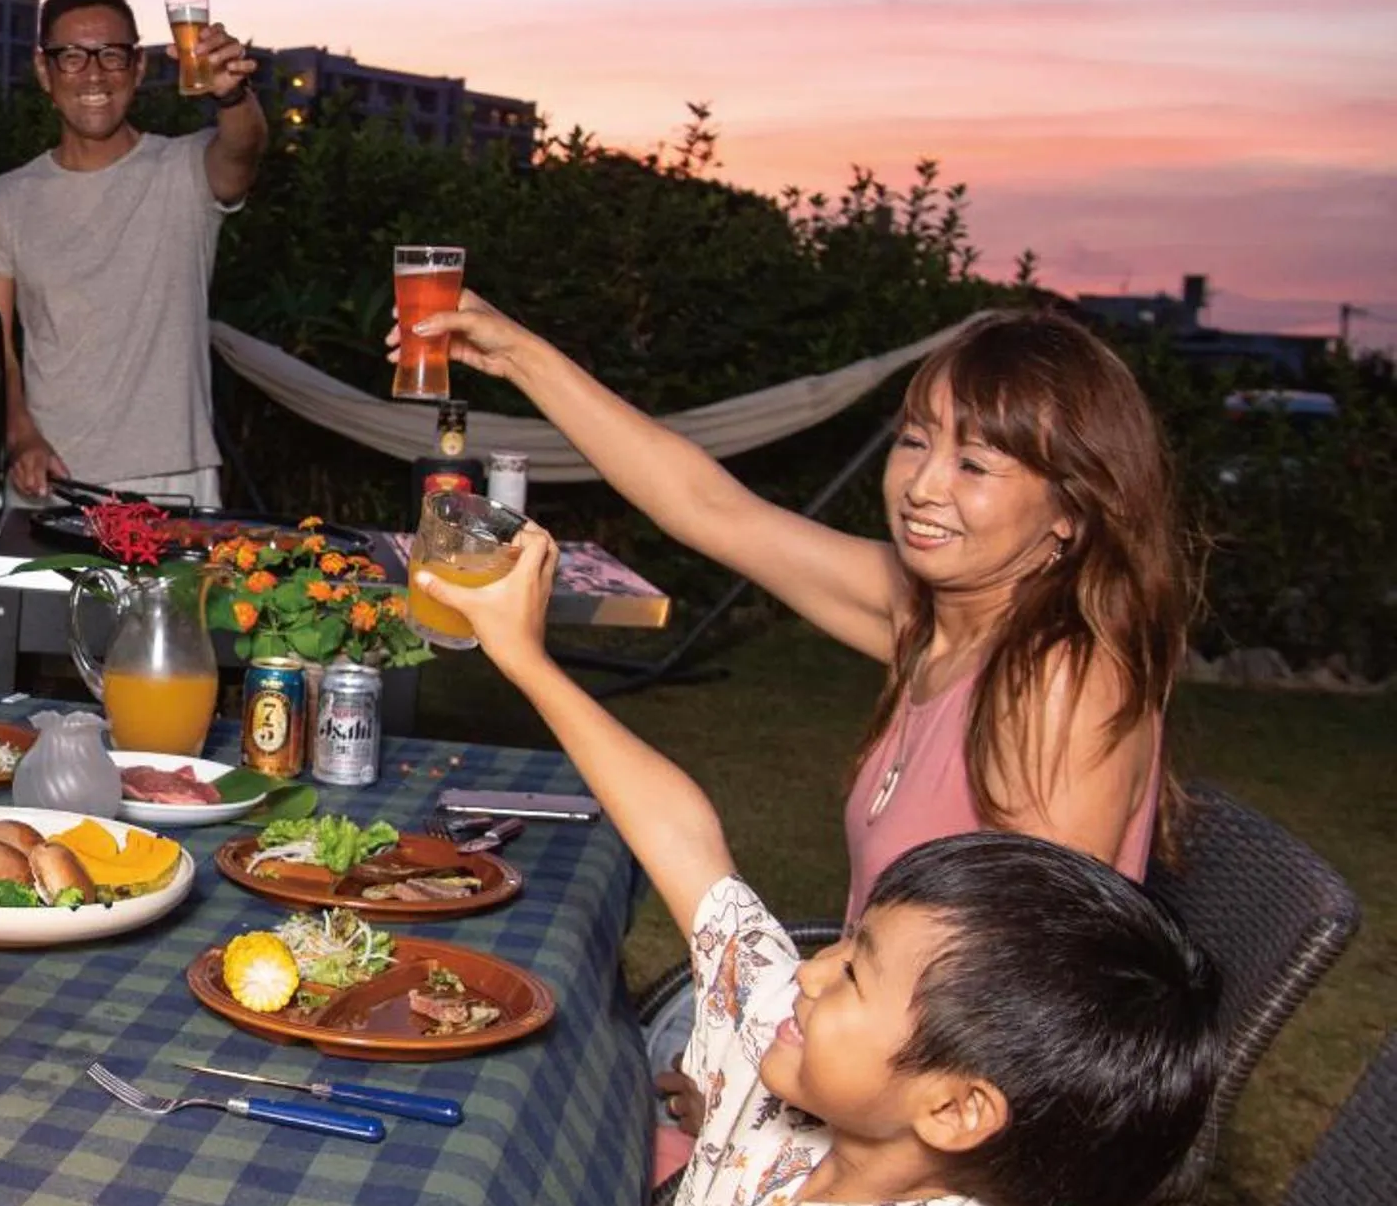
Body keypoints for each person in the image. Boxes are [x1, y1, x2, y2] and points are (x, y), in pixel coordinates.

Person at [420, 527, 1218, 1206]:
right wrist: (526, 659)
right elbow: (692, 848)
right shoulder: (792, 1095)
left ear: (953, 1107)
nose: (808, 971)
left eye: (854, 973)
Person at [402, 301, 1188, 1131]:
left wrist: (782, 1103)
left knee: (542, 1116)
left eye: (976, 465)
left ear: (1070, 508)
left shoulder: (1062, 681)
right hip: (854, 1066)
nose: (922, 486)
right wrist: (519, 354)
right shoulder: (942, 619)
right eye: (917, 442)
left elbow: (1022, 1023)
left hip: (926, 1168)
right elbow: (714, 512)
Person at [0, 0, 265, 505]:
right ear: (43, 71)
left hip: (174, 483)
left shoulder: (184, 171)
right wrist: (20, 436)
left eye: (112, 55)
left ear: (139, 68)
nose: (94, 73)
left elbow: (244, 149)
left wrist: (232, 95)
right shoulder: (3, 201)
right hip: (49, 480)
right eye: (72, 56)